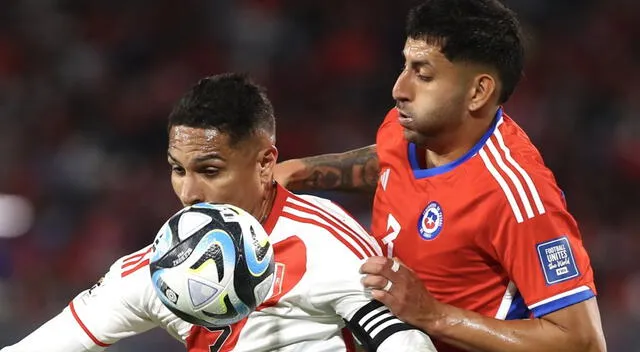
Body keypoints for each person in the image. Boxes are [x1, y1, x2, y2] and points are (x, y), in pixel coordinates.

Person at [2, 73, 437, 352]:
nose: (189, 192)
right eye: (177, 170)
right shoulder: (155, 268)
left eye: (210, 170)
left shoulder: (324, 241)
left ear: (265, 163)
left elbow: (407, 343)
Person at [273, 1, 607, 351]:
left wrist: (434, 315)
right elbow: (389, 165)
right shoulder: (409, 129)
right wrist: (300, 173)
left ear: (478, 92)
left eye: (423, 74)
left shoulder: (517, 196)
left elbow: (582, 341)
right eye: (405, 66)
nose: (399, 88)